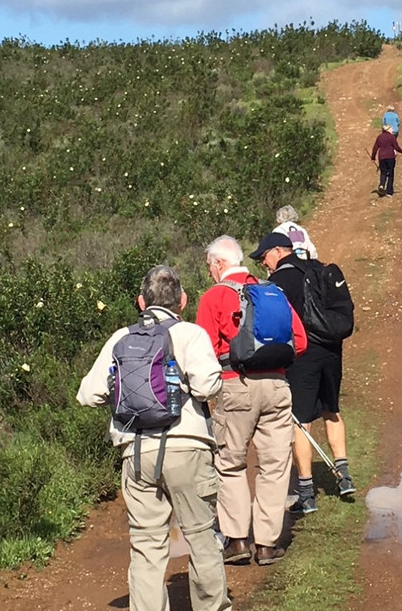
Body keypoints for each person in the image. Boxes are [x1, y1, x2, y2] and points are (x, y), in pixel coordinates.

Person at [76, 266, 231, 611]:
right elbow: (207, 386)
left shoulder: (120, 338)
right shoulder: (190, 334)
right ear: (183, 301)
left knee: (146, 545)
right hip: (187, 448)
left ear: (141, 301)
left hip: (136, 452)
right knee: (201, 537)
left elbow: (87, 394)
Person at [196, 235, 308, 567]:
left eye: (209, 267)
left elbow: (201, 351)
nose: (209, 273)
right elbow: (299, 341)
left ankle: (237, 540)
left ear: (218, 264)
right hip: (277, 385)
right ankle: (267, 544)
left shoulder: (214, 297)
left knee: (230, 463)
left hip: (235, 386)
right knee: (275, 466)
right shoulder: (272, 291)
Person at [251, 235, 355, 516]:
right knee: (332, 410)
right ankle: (344, 476)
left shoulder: (279, 283)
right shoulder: (319, 268)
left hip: (302, 357)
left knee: (301, 421)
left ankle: (307, 493)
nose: (263, 262)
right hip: (332, 352)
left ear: (277, 251)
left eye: (264, 256)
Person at [370, 124, 402, 196]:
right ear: (388, 129)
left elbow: (375, 148)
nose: (392, 130)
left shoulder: (379, 137)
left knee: (383, 173)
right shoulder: (391, 137)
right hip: (390, 157)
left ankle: (382, 185)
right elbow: (396, 147)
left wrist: (373, 157)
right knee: (390, 174)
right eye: (391, 129)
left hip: (382, 158)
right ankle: (389, 191)